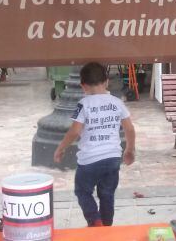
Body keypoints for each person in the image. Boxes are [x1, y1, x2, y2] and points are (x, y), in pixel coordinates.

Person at [54, 62, 136, 227]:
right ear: (106, 82)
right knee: (107, 194)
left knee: (82, 191)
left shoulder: (82, 105)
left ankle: (95, 221)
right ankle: (106, 227)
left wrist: (61, 148)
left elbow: (75, 132)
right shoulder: (117, 102)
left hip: (89, 160)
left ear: (83, 86)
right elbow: (130, 129)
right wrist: (129, 149)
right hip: (112, 158)